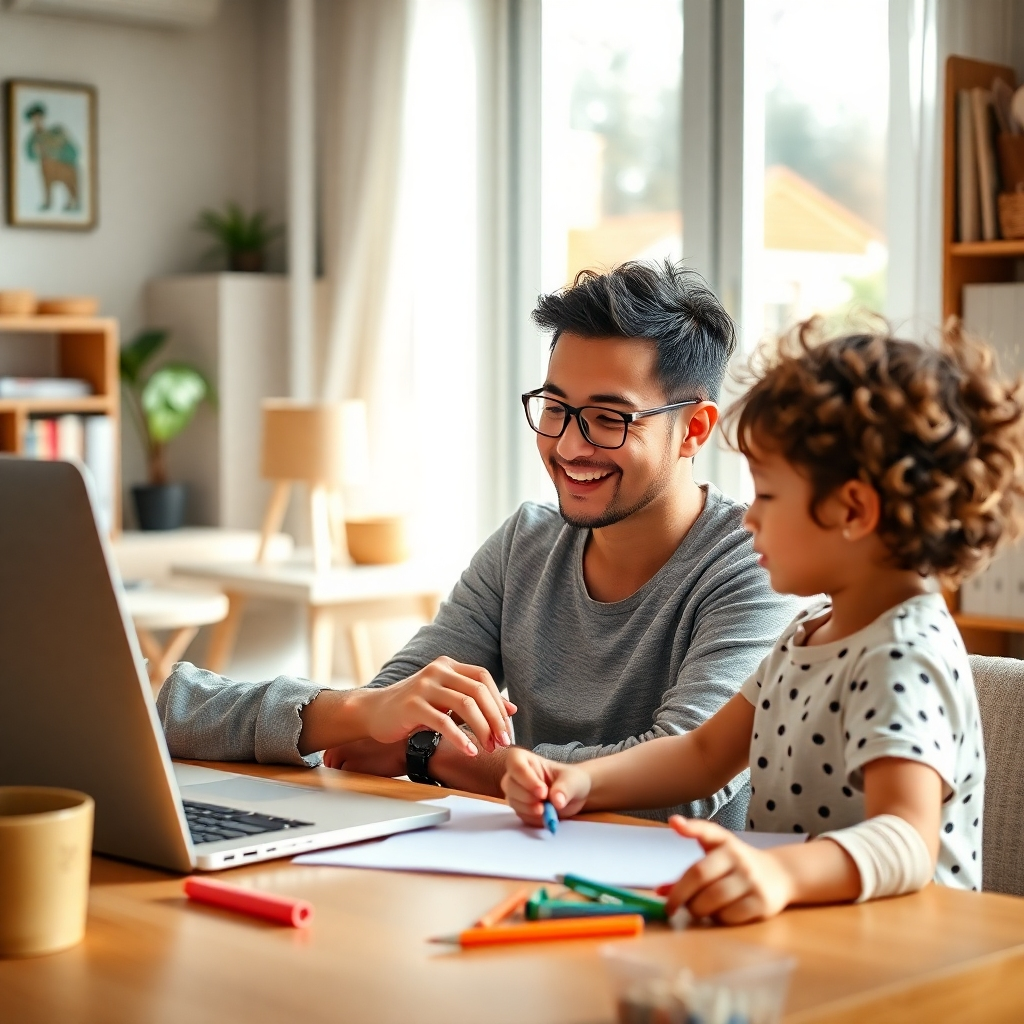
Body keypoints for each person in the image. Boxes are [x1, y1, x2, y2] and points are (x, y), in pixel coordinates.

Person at [158, 261, 796, 827]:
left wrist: (433, 755)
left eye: (608, 419)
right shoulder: (526, 543)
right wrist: (357, 711)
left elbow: (682, 784)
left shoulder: (755, 564)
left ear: (694, 429)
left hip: (675, 921)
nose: (570, 446)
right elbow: (377, 726)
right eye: (555, 407)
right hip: (512, 886)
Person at [502, 320, 1024, 922]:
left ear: (852, 509)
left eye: (769, 497)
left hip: (905, 964)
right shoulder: (809, 636)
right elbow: (701, 754)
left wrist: (780, 873)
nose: (749, 519)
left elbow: (907, 839)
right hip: (815, 942)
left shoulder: (904, 652)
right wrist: (581, 781)